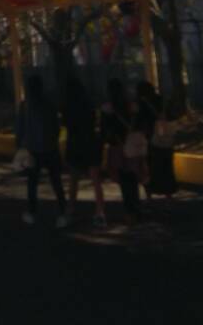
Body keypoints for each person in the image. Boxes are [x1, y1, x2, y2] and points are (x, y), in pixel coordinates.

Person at [16, 73, 68, 227]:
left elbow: (20, 129)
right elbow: (56, 127)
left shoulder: (25, 106)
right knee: (56, 182)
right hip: (50, 148)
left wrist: (20, 146)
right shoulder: (49, 104)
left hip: (33, 150)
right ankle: (63, 212)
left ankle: (32, 212)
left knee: (32, 183)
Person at [63, 73, 106, 229]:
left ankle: (70, 210)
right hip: (90, 142)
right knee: (96, 180)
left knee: (74, 179)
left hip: (75, 143)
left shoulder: (68, 106)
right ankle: (100, 212)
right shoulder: (89, 103)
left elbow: (67, 124)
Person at [101, 78, 142, 221]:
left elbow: (105, 130)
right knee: (133, 178)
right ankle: (136, 207)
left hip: (117, 147)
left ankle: (129, 211)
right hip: (131, 145)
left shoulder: (107, 109)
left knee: (123, 180)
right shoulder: (131, 106)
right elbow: (138, 124)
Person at [149, 96, 179, 198]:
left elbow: (160, 135)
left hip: (159, 148)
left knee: (160, 171)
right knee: (168, 171)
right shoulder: (173, 122)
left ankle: (160, 191)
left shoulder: (161, 122)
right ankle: (168, 193)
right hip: (168, 147)